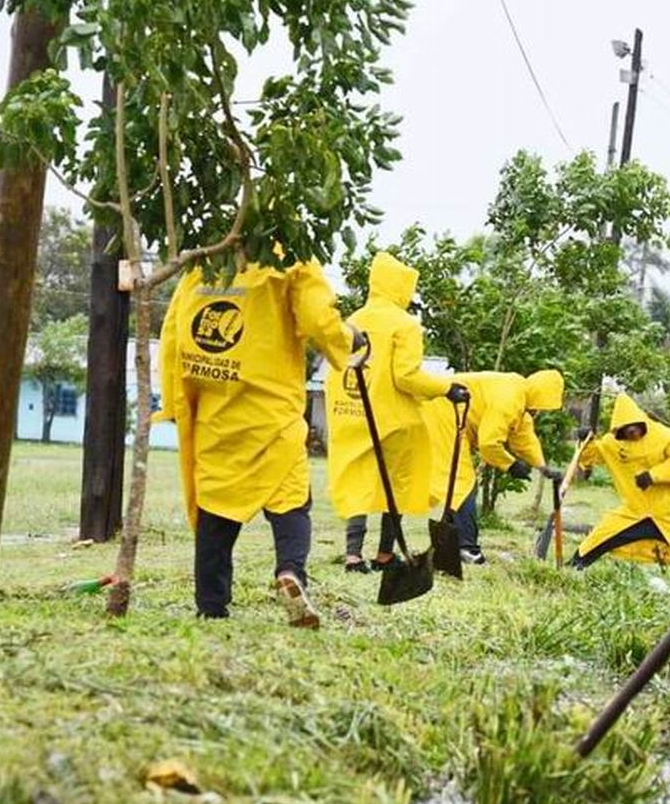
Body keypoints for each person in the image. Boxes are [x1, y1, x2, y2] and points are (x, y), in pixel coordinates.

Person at [157, 258, 359, 628]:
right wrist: (349, 341)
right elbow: (318, 317)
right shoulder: (292, 256)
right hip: (272, 414)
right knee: (291, 502)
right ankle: (290, 571)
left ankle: (211, 604)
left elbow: (172, 332)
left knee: (215, 510)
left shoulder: (204, 261)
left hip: (216, 417)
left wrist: (173, 401)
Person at [325, 251, 468, 572]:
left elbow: (335, 368)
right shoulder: (405, 325)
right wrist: (446, 388)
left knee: (358, 482)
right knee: (398, 485)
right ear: (399, 286)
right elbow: (407, 377)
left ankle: (352, 556)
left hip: (350, 414)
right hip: (393, 420)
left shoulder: (352, 321)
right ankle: (385, 554)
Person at [421, 369, 565, 564]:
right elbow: (488, 443)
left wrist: (543, 467)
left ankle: (447, 547)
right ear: (539, 396)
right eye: (543, 405)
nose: (540, 411)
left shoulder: (522, 401)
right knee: (462, 484)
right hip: (443, 414)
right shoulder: (511, 398)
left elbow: (524, 439)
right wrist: (511, 465)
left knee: (455, 486)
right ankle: (468, 549)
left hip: (453, 419)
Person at [571, 393, 670, 572]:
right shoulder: (614, 443)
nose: (632, 435)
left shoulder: (665, 437)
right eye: (627, 432)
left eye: (634, 430)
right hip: (635, 510)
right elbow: (593, 456)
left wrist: (653, 476)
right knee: (601, 535)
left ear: (641, 422)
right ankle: (575, 565)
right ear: (619, 431)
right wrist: (586, 441)